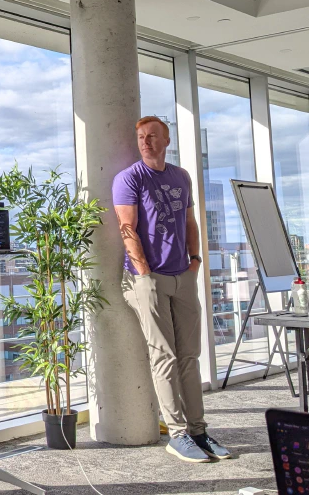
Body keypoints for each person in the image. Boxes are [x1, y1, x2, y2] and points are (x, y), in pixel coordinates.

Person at [112, 116, 231, 463]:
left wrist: (194, 262)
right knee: (164, 356)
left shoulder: (181, 177)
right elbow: (127, 228)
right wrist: (145, 274)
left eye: (152, 136)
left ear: (166, 140)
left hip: (183, 275)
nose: (145, 142)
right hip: (145, 279)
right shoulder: (129, 178)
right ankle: (177, 435)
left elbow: (190, 222)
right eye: (140, 137)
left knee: (189, 357)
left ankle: (199, 431)